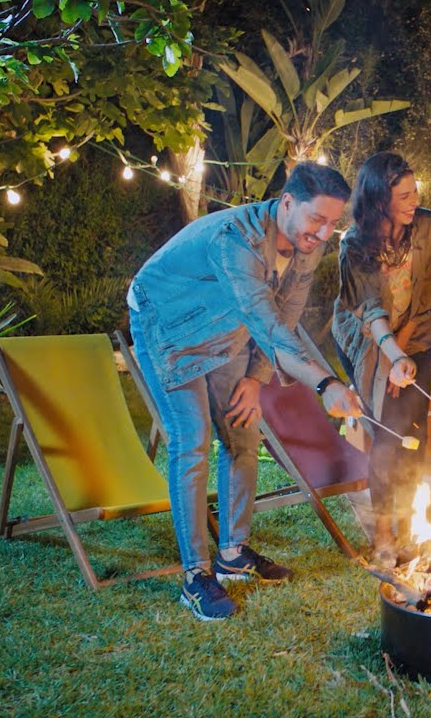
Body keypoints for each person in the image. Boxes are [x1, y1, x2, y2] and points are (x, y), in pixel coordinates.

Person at [128, 162, 364, 621]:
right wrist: (326, 383)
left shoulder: (306, 243)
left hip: (227, 326)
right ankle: (195, 576)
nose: (324, 233)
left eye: (333, 223)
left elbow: (287, 313)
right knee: (191, 441)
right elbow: (267, 322)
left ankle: (232, 554)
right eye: (317, 219)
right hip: (168, 326)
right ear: (287, 202)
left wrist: (256, 378)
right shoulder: (234, 239)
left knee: (242, 432)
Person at [332, 152, 431, 555]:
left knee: (414, 430)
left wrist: (404, 351)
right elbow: (371, 312)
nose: (415, 202)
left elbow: (427, 292)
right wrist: (391, 358)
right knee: (388, 431)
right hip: (365, 339)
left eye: (415, 193)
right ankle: (383, 532)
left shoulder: (428, 226)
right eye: (404, 196)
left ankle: (407, 524)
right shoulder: (354, 244)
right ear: (379, 200)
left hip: (415, 332)